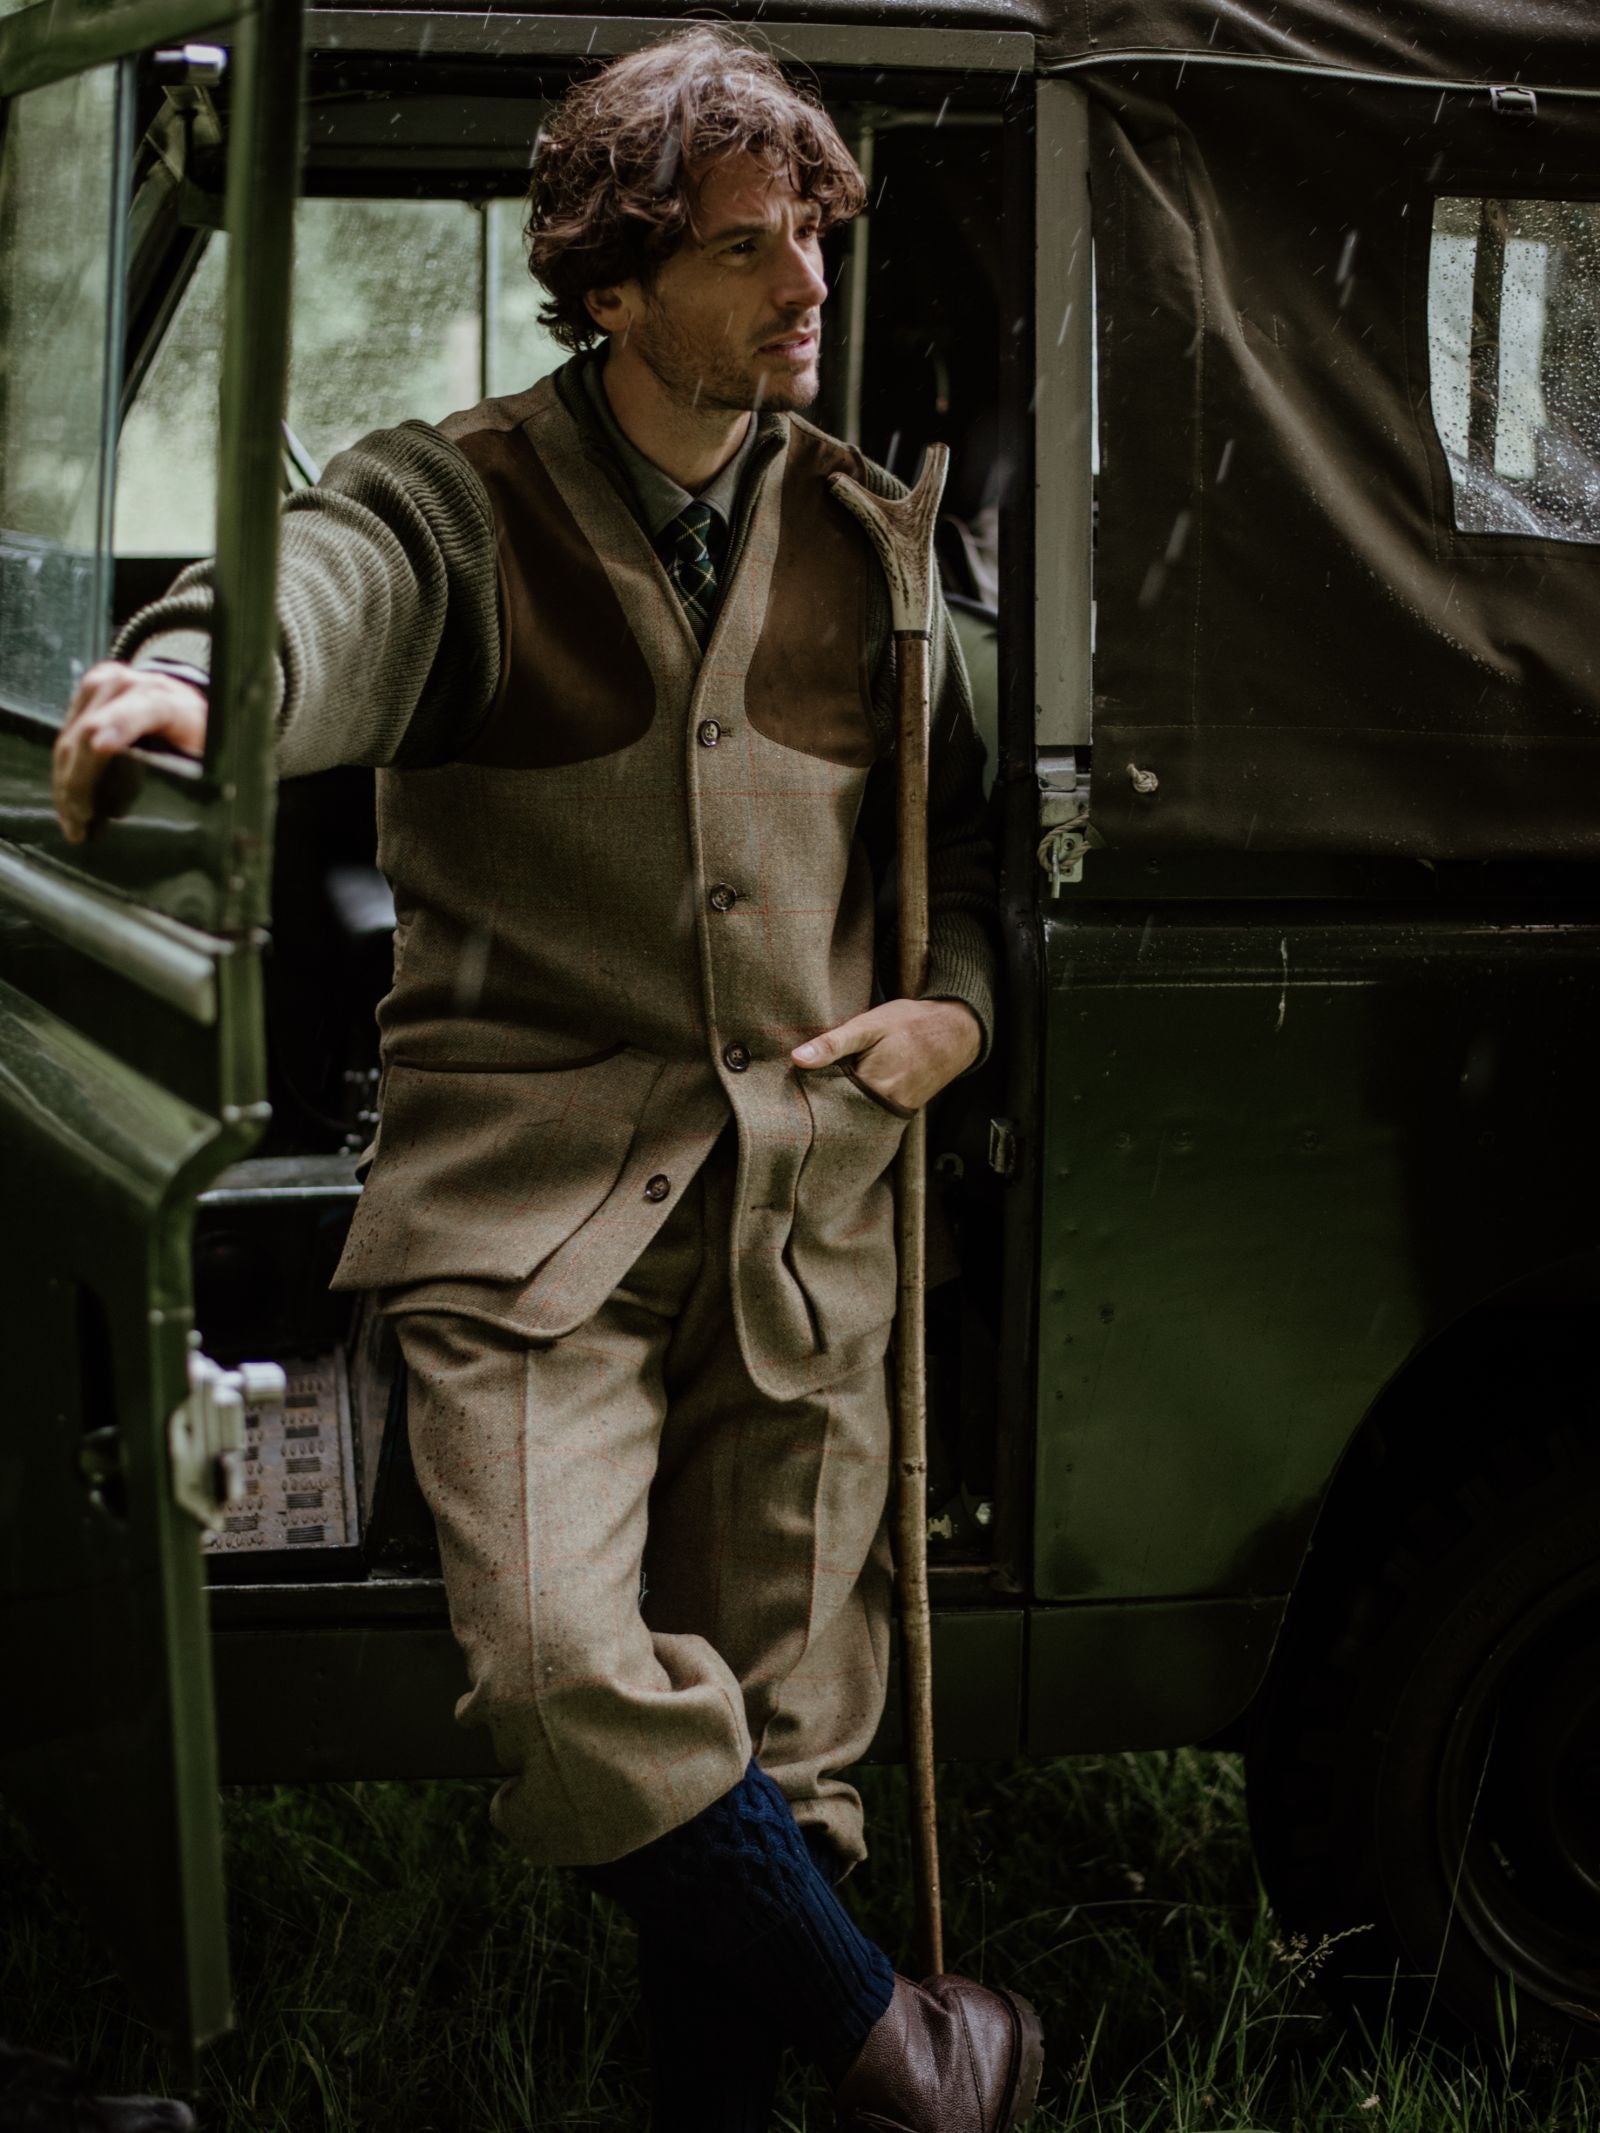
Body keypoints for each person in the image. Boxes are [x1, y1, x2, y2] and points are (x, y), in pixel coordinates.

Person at [52, 29, 1041, 2132]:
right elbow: (325, 587)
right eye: (743, 250)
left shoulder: (869, 545)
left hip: (805, 1214)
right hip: (526, 1225)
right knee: (560, 1673)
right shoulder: (458, 499)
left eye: (813, 244)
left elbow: (950, 873)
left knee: (794, 1738)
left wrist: (944, 1017)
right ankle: (911, 2059)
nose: (800, 291)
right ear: (607, 284)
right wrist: (201, 679)